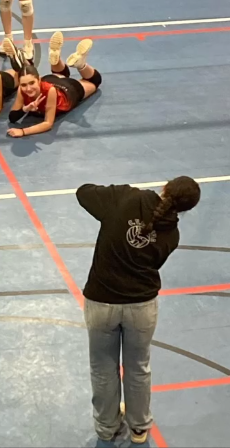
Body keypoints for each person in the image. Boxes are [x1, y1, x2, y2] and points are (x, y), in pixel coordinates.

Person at [76, 177, 201, 444]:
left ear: (165, 187)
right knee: (138, 368)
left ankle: (107, 427)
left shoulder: (125, 198)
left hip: (102, 302)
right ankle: (139, 427)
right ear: (185, 209)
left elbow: (83, 192)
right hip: (141, 307)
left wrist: (117, 192)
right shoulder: (171, 235)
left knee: (102, 367)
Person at [5, 32, 101, 137]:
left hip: (67, 90)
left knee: (94, 81)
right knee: (61, 74)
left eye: (32, 83)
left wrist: (23, 131)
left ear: (39, 80)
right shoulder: (22, 89)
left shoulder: (50, 90)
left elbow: (48, 123)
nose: (28, 88)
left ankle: (80, 65)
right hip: (50, 79)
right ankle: (56, 59)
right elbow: (12, 117)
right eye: (24, 85)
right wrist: (25, 109)